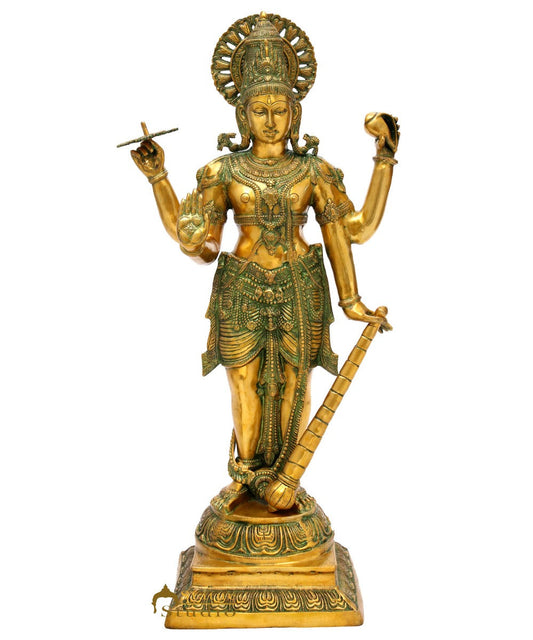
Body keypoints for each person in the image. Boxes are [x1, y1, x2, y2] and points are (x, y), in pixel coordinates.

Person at [130, 13, 398, 510]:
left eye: (279, 110)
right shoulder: (222, 170)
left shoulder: (314, 171)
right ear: (243, 115)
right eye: (259, 110)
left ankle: (285, 480)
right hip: (241, 287)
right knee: (244, 385)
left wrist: (384, 160)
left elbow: (353, 230)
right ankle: (249, 474)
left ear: (294, 114)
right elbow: (204, 245)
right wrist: (161, 183)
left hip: (300, 284)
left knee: (297, 385)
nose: (270, 121)